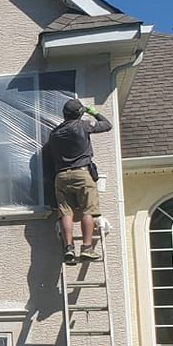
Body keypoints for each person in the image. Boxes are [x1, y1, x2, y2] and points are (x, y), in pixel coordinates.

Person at [43, 98, 113, 263]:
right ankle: (87, 247)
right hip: (81, 174)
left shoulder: (54, 134)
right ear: (79, 114)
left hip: (60, 177)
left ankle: (69, 247)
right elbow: (107, 125)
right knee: (88, 210)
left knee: (66, 212)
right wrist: (93, 111)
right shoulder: (82, 126)